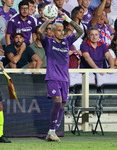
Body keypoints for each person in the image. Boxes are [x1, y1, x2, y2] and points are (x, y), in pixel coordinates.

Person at [39, 12, 83, 142]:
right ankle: (52, 131)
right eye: (59, 30)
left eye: (63, 30)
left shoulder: (67, 41)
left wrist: (70, 20)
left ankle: (52, 131)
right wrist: (48, 21)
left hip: (65, 78)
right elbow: (40, 31)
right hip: (52, 77)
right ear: (52, 32)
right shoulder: (48, 42)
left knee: (62, 105)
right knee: (57, 102)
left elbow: (80, 32)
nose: (62, 32)